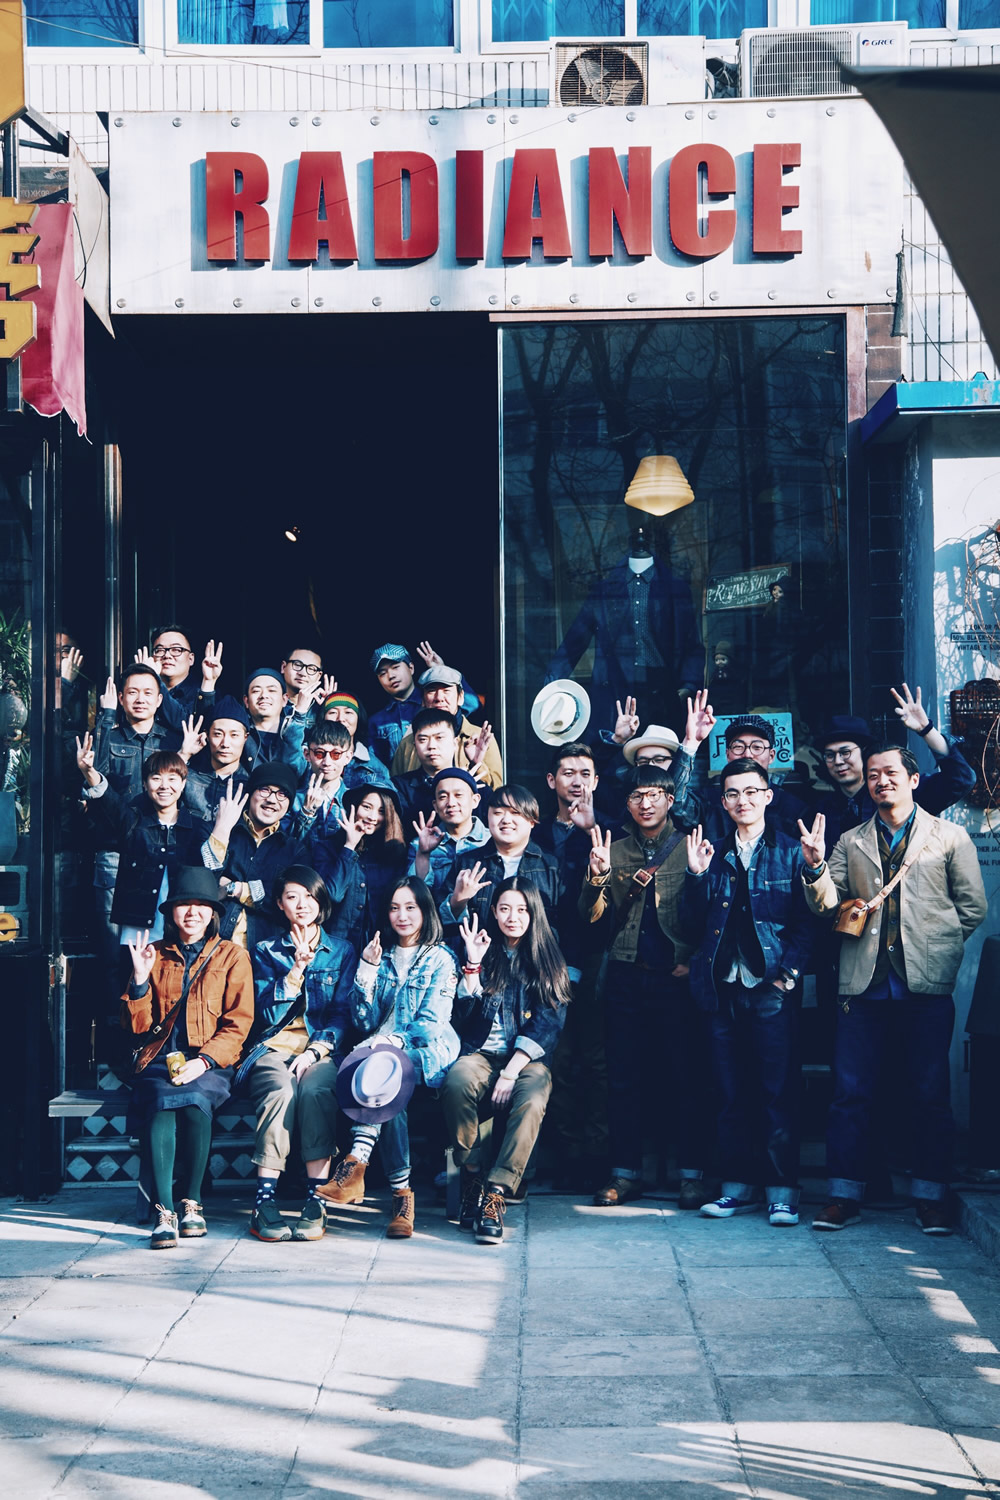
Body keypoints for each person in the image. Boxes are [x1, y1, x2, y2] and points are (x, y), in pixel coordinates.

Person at [800, 743, 987, 1234]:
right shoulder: (849, 840)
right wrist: (816, 868)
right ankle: (843, 1195)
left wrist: (935, 947)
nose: (881, 780)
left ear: (914, 780)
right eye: (874, 774)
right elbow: (827, 906)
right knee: (850, 1093)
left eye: (890, 772)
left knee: (928, 1093)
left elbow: (972, 907)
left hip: (925, 987)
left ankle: (930, 1197)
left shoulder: (949, 836)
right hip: (861, 987)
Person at [683, 759, 817, 1226]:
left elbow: (808, 924)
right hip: (721, 990)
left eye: (751, 791)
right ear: (723, 802)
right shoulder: (712, 852)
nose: (743, 800)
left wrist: (788, 976)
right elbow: (691, 925)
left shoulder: (791, 852)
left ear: (768, 796)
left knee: (777, 1093)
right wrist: (696, 877)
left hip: (771, 991)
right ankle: (736, 1188)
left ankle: (782, 1191)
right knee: (728, 1092)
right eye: (733, 793)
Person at [582, 764, 711, 1209]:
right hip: (626, 976)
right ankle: (625, 1173)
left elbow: (710, 916)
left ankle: (691, 1175)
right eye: (637, 796)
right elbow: (591, 918)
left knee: (685, 1077)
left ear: (670, 800)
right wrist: (597, 876)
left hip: (676, 979)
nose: (646, 803)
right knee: (624, 1078)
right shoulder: (613, 849)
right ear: (627, 803)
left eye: (655, 794)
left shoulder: (691, 845)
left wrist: (693, 962)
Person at [319, 877, 459, 1238]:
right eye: (395, 908)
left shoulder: (441, 958)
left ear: (425, 911)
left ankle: (357, 1163)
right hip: (382, 1056)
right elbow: (363, 1022)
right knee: (388, 1083)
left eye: (411, 907)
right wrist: (366, 971)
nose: (402, 916)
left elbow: (430, 1025)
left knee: (388, 1070)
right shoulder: (380, 955)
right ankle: (401, 1196)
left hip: (428, 1052)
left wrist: (391, 1042)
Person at [123, 867, 254, 1250]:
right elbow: (138, 1028)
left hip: (208, 1062)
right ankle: (164, 1212)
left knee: (196, 1102)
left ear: (213, 912)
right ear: (172, 912)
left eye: (201, 905)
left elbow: (238, 1024)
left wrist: (205, 1061)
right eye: (184, 904)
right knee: (161, 1104)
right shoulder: (155, 953)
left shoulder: (232, 956)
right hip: (159, 1059)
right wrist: (140, 980)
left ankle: (192, 1203)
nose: (192, 912)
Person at [444, 883, 570, 1243]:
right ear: (493, 912)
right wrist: (472, 965)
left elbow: (549, 1023)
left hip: (527, 1059)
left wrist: (511, 1072)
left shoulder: (547, 957)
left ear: (534, 913)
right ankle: (472, 1176)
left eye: (522, 910)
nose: (513, 918)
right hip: (479, 1052)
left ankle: (497, 1192)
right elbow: (459, 1017)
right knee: (457, 1082)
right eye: (504, 909)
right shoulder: (480, 947)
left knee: (533, 1095)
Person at [240, 866, 358, 1243]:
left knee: (316, 1091)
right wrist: (296, 970)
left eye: (309, 896)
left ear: (321, 901)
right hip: (273, 1047)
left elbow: (342, 1014)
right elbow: (263, 1016)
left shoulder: (342, 950)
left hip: (321, 1050)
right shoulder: (264, 951)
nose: (302, 904)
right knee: (281, 1091)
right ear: (279, 904)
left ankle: (316, 1199)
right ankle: (264, 1201)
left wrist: (315, 1051)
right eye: (292, 897)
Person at [533, 742, 608, 1190]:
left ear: (596, 781)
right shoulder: (535, 833)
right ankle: (563, 1158)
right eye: (567, 772)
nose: (576, 781)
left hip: (596, 960)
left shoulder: (609, 830)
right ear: (551, 780)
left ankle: (596, 1160)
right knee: (554, 1060)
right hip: (546, 962)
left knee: (596, 1062)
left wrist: (593, 829)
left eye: (584, 773)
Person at [75, 737, 212, 948]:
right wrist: (88, 771)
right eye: (156, 778)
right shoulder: (133, 821)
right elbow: (109, 799)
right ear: (146, 784)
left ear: (183, 784)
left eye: (172, 779)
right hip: (138, 931)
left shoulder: (197, 827)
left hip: (181, 929)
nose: (164, 786)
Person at [811, 685, 976, 849]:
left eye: (845, 752)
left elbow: (961, 780)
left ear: (864, 752)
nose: (838, 761)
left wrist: (926, 730)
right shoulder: (822, 810)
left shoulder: (900, 793)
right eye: (830, 755)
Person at [202, 761, 305, 951]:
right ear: (250, 794)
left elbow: (287, 905)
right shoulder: (215, 830)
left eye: (282, 794)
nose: (272, 799)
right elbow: (202, 884)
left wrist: (235, 888)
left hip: (263, 953)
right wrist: (222, 829)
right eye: (265, 790)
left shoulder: (294, 850)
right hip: (209, 944)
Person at [440, 784, 561, 937]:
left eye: (515, 812)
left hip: (538, 951)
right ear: (487, 818)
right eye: (498, 813)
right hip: (481, 951)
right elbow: (441, 923)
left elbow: (565, 921)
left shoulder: (551, 865)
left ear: (532, 821)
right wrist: (458, 900)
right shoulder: (467, 863)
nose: (506, 820)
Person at [309, 785, 409, 949]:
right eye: (367, 807)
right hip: (335, 949)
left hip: (378, 948)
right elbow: (332, 895)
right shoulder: (327, 849)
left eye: (381, 811)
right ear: (354, 807)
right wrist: (349, 847)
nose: (372, 817)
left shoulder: (394, 854)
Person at [390, 665, 502, 789]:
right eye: (432, 690)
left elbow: (496, 790)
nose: (439, 698)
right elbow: (395, 789)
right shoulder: (408, 743)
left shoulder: (480, 739)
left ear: (460, 697)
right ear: (423, 700)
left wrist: (476, 764)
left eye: (446, 690)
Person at [392, 708, 488, 828]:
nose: (432, 746)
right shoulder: (398, 787)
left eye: (439, 738)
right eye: (423, 740)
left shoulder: (474, 786)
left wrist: (471, 772)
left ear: (455, 743)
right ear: (415, 746)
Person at [408, 767, 490, 896]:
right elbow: (416, 895)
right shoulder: (418, 844)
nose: (451, 803)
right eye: (443, 797)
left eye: (458, 795)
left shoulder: (491, 840)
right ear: (435, 805)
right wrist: (423, 854)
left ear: (475, 801)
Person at [181, 697, 254, 821]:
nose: (225, 743)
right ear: (207, 735)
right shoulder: (189, 777)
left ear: (245, 738)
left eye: (234, 735)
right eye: (218, 734)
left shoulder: (251, 786)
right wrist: (184, 754)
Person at [150, 627, 223, 718]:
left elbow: (190, 723)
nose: (167, 655)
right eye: (160, 650)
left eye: (176, 650)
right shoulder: (144, 691)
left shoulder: (206, 692)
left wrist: (208, 682)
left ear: (191, 659)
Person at [369, 643, 422, 767]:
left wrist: (442, 670)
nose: (391, 676)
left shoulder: (435, 701)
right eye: (383, 673)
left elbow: (467, 708)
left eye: (395, 667)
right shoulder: (377, 722)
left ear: (411, 668)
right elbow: (376, 766)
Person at [243, 669, 289, 763]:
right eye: (256, 691)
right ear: (246, 701)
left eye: (272, 690)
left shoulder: (296, 733)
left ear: (284, 700)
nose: (264, 695)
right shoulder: (238, 734)